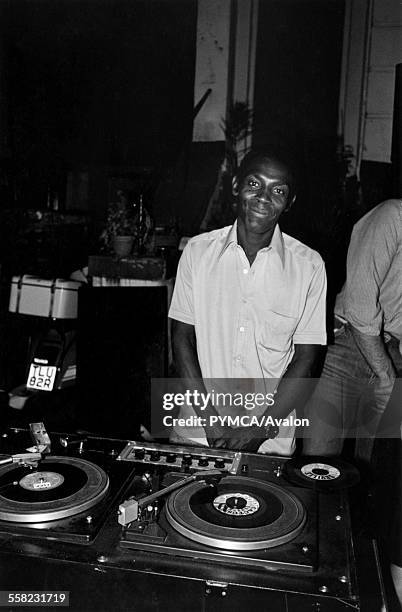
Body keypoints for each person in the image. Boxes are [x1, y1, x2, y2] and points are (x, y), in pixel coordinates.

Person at [168, 149, 327, 455]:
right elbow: (182, 339)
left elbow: (306, 359)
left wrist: (258, 431)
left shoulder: (309, 267)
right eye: (255, 184)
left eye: (278, 190)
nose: (264, 197)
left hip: (270, 443)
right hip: (197, 435)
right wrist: (210, 422)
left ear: (290, 202)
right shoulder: (198, 253)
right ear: (236, 185)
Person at [303, 199, 402, 457]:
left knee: (374, 473)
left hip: (394, 354)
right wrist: (385, 374)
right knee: (319, 467)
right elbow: (360, 302)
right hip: (346, 349)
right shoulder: (392, 215)